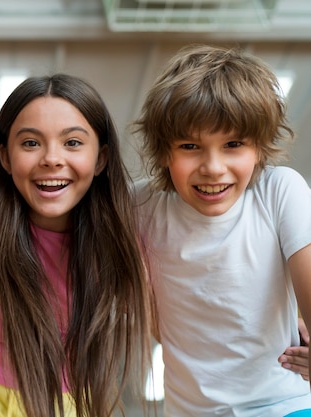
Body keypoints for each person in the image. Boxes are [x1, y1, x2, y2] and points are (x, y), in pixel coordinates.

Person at [0, 73, 153, 417]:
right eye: (31, 143)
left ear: (101, 159)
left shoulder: (119, 240)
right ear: (4, 157)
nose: (51, 158)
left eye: (73, 143)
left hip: (61, 390)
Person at [132, 44, 311, 416]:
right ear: (164, 152)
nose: (213, 167)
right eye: (190, 146)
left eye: (233, 144)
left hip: (283, 403)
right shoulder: (142, 207)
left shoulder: (279, 190)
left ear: (259, 149)